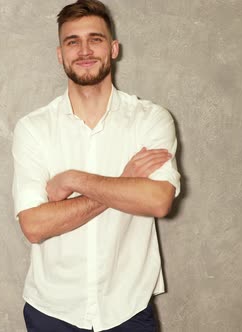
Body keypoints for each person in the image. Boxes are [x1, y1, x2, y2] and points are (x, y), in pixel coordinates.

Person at [11, 0, 181, 331]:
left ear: (113, 48)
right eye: (72, 41)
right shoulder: (33, 129)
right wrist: (123, 183)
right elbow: (34, 224)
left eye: (96, 39)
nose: (84, 50)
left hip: (128, 308)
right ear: (60, 54)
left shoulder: (150, 119)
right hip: (53, 311)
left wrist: (74, 179)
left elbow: (158, 200)